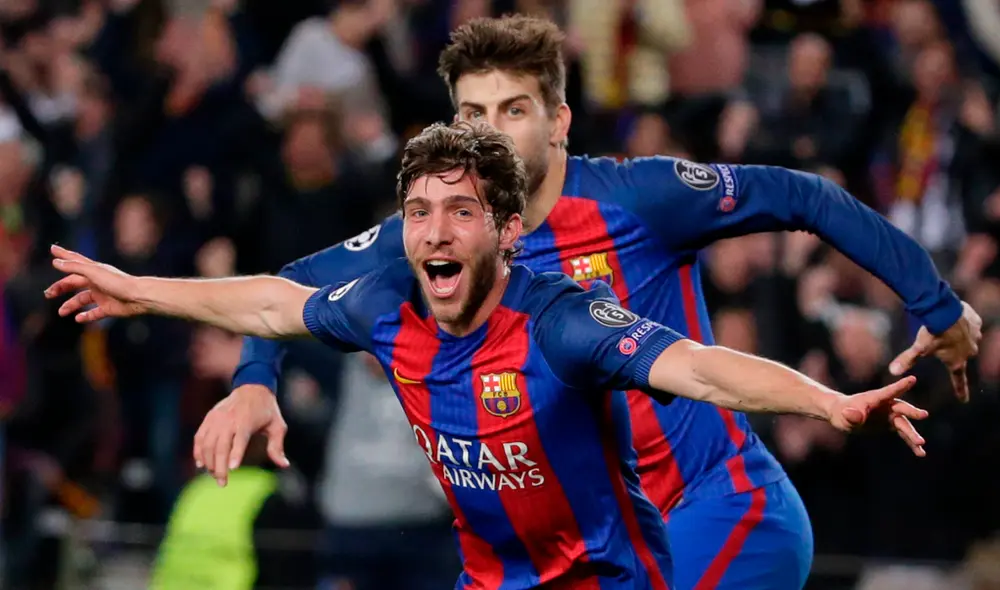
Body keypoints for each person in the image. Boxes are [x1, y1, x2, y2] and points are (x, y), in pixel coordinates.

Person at [206, 15, 981, 590]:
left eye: (514, 110)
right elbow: (287, 288)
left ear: (560, 120)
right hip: (595, 548)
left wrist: (935, 304)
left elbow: (803, 195)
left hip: (722, 509)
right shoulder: (434, 234)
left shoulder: (638, 199)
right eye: (473, 115)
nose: (492, 133)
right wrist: (252, 380)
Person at [46, 121, 929, 590]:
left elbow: (699, 367)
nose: (435, 232)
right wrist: (140, 290)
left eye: (460, 212)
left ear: (507, 232)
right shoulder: (386, 306)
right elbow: (275, 302)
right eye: (419, 213)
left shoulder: (563, 324)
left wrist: (828, 402)